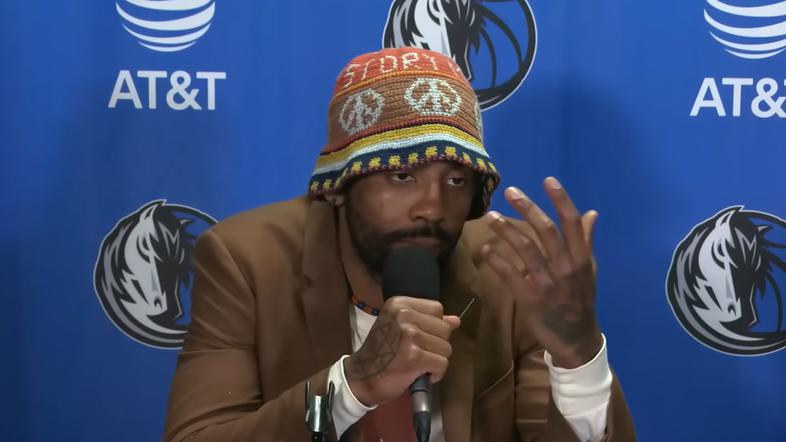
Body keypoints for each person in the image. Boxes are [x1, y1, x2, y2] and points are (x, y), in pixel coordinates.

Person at [163, 47, 635, 441]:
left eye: (456, 180)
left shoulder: (513, 265)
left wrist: (578, 356)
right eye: (403, 175)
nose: (432, 207)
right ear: (339, 186)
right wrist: (355, 383)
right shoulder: (247, 260)